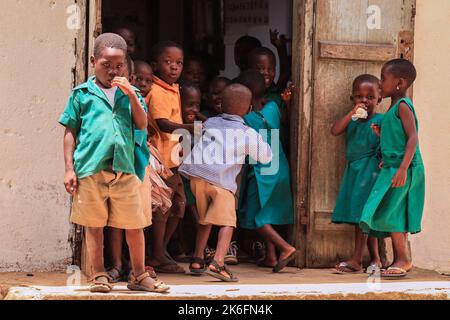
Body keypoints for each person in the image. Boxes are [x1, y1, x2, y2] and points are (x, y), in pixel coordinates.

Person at [59, 33, 168, 293]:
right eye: (106, 64)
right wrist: (68, 169)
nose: (112, 70)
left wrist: (131, 94)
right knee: (94, 226)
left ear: (126, 68)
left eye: (119, 66)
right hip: (91, 170)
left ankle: (139, 275)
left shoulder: (131, 94)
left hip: (126, 170)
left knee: (134, 225)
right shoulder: (81, 95)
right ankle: (98, 275)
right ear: (93, 61)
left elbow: (141, 124)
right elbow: (70, 132)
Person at [179, 84, 273, 282]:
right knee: (228, 222)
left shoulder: (211, 122)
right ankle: (218, 263)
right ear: (249, 110)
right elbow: (265, 157)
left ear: (220, 105)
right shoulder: (247, 133)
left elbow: (198, 135)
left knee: (205, 219)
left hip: (197, 176)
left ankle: (197, 259)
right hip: (220, 181)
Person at [360, 59, 425, 278]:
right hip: (393, 166)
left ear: (399, 83)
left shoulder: (404, 106)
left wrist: (402, 169)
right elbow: (397, 137)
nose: (380, 83)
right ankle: (401, 258)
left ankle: (403, 259)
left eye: (383, 78)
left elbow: (413, 138)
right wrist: (383, 134)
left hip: (404, 168)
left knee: (395, 212)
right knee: (389, 211)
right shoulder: (392, 109)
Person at [236, 70, 296, 273]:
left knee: (255, 216)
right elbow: (286, 120)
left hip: (261, 171)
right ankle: (270, 257)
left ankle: (285, 248)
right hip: (279, 168)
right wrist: (287, 103)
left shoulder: (246, 120)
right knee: (266, 213)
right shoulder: (273, 108)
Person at [146, 41, 194, 273]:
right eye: (168, 62)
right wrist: (190, 128)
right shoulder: (156, 90)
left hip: (173, 160)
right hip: (160, 161)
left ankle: (161, 250)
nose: (174, 67)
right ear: (155, 65)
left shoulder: (173, 88)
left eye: (179, 63)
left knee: (178, 206)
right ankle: (157, 253)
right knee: (164, 208)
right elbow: (163, 123)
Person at [331, 74, 384, 274]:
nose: (364, 100)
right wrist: (351, 113)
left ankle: (356, 260)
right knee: (361, 218)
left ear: (379, 98)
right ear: (352, 99)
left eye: (370, 97)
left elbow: (386, 144)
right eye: (359, 96)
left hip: (369, 174)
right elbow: (335, 130)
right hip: (354, 172)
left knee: (363, 217)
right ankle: (376, 259)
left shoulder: (381, 120)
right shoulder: (352, 119)